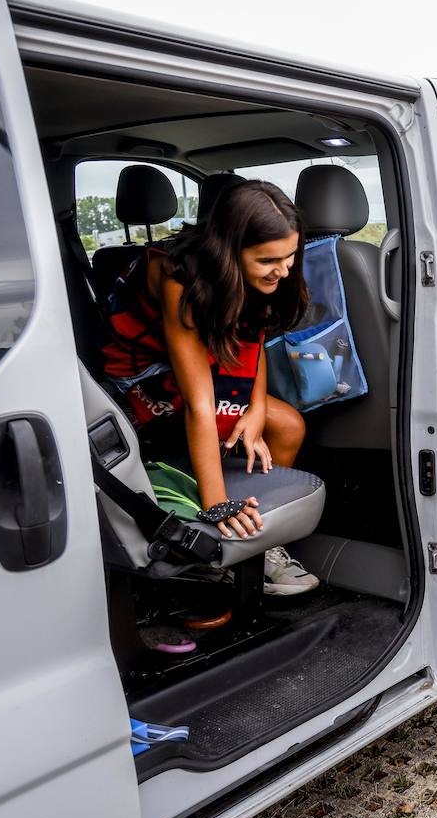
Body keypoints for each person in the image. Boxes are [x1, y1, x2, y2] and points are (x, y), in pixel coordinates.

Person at [101, 180, 321, 595]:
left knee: (285, 425)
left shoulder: (256, 275)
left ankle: (265, 549)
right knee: (221, 415)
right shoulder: (178, 277)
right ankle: (214, 547)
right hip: (142, 375)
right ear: (229, 251)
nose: (284, 269)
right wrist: (217, 505)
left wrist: (255, 411)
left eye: (291, 256)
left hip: (202, 357)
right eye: (269, 260)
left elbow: (249, 342)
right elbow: (202, 404)